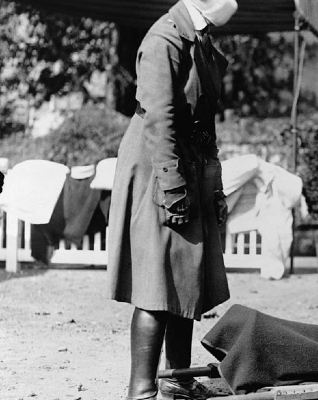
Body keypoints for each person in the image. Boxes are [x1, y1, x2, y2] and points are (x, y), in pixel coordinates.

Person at [106, 1, 238, 399]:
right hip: (159, 165)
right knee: (156, 282)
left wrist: (212, 185)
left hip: (189, 163)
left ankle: (177, 382)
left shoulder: (198, 39)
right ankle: (143, 390)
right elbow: (158, 119)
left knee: (185, 276)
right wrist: (172, 187)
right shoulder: (165, 37)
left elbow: (204, 123)